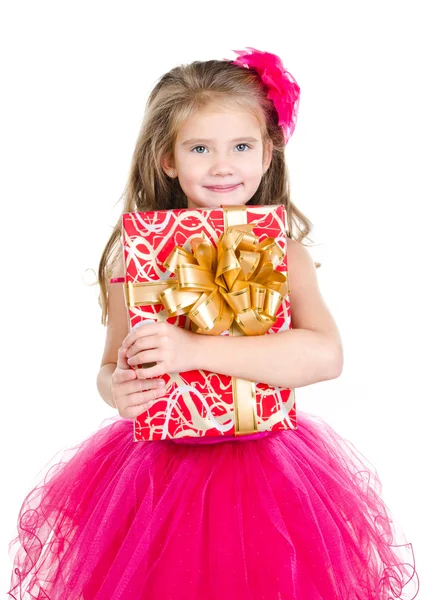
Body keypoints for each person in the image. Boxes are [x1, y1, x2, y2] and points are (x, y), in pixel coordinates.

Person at [8, 47, 419, 600]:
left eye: (242, 147)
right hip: (156, 478)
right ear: (168, 159)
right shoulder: (138, 260)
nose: (223, 165)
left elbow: (325, 357)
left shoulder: (283, 254)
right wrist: (119, 390)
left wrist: (192, 349)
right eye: (200, 148)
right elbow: (110, 367)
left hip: (265, 472)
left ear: (269, 154)